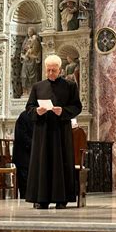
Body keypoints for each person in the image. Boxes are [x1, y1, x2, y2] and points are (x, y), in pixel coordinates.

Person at [25, 54, 82, 209]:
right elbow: (28, 108)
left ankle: (61, 199)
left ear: (60, 70)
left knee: (61, 163)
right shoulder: (38, 87)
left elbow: (77, 107)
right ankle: (41, 199)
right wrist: (37, 111)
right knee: (42, 163)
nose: (51, 73)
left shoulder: (70, 86)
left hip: (61, 132)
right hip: (42, 132)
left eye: (54, 70)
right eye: (48, 70)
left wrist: (63, 111)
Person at [12, 110, 34, 199]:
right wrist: (35, 145)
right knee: (24, 180)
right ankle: (25, 197)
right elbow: (21, 136)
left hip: (31, 154)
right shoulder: (24, 116)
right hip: (23, 155)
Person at [20, 27, 42, 95]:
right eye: (28, 31)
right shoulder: (26, 40)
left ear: (33, 32)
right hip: (26, 61)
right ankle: (25, 91)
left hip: (32, 60)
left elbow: (38, 51)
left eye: (30, 31)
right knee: (24, 76)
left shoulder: (35, 39)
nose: (29, 32)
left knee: (33, 76)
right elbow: (22, 52)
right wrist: (23, 56)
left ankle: (32, 91)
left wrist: (33, 55)